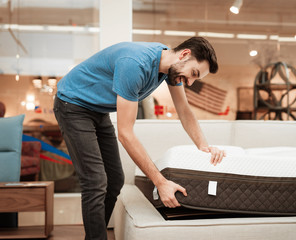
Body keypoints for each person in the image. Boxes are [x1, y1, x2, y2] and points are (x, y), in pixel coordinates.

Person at [53, 37, 226, 240]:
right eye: (193, 74)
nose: (190, 82)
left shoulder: (170, 68)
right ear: (184, 54)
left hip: (97, 111)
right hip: (72, 105)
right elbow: (126, 135)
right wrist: (160, 182)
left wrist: (204, 148)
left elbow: (184, 111)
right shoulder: (135, 64)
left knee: (115, 180)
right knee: (96, 181)